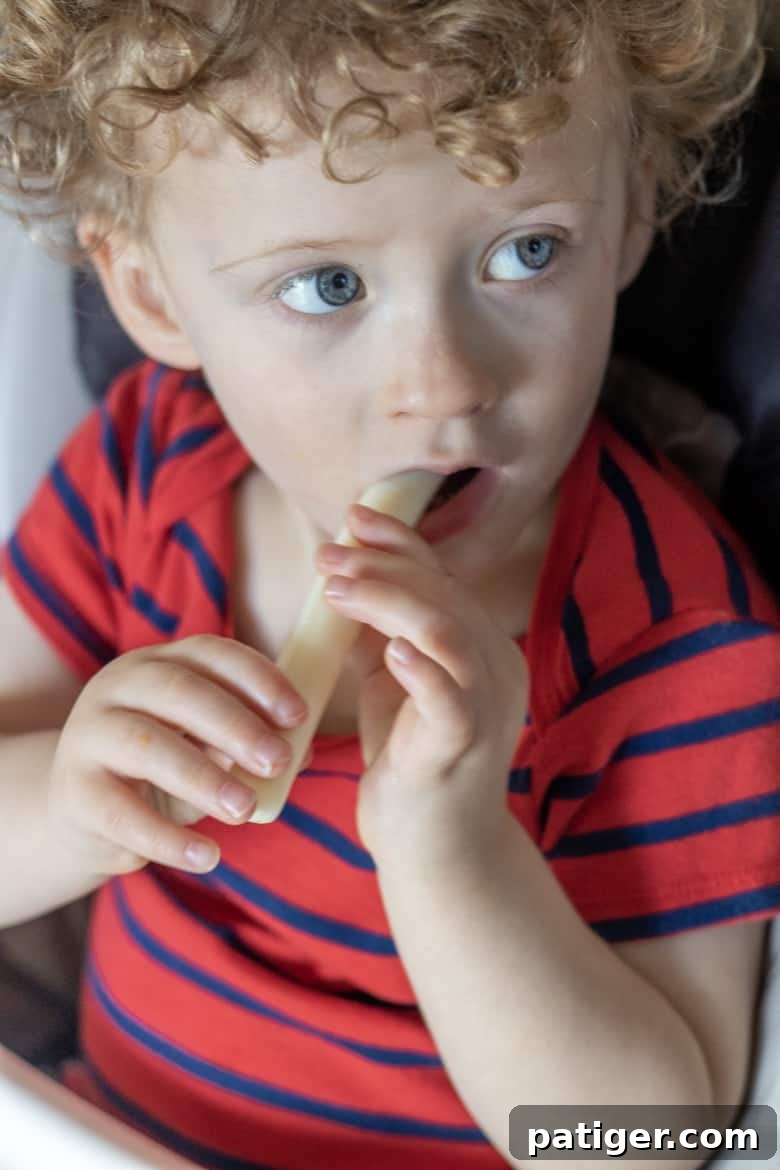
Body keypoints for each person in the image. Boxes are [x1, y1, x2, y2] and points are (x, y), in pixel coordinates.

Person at [0, 2, 777, 1167]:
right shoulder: (147, 473)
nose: (446, 388)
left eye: (527, 251)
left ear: (632, 213)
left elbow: (645, 1141)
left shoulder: (673, 644)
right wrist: (68, 801)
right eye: (324, 286)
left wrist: (446, 845)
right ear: (154, 296)